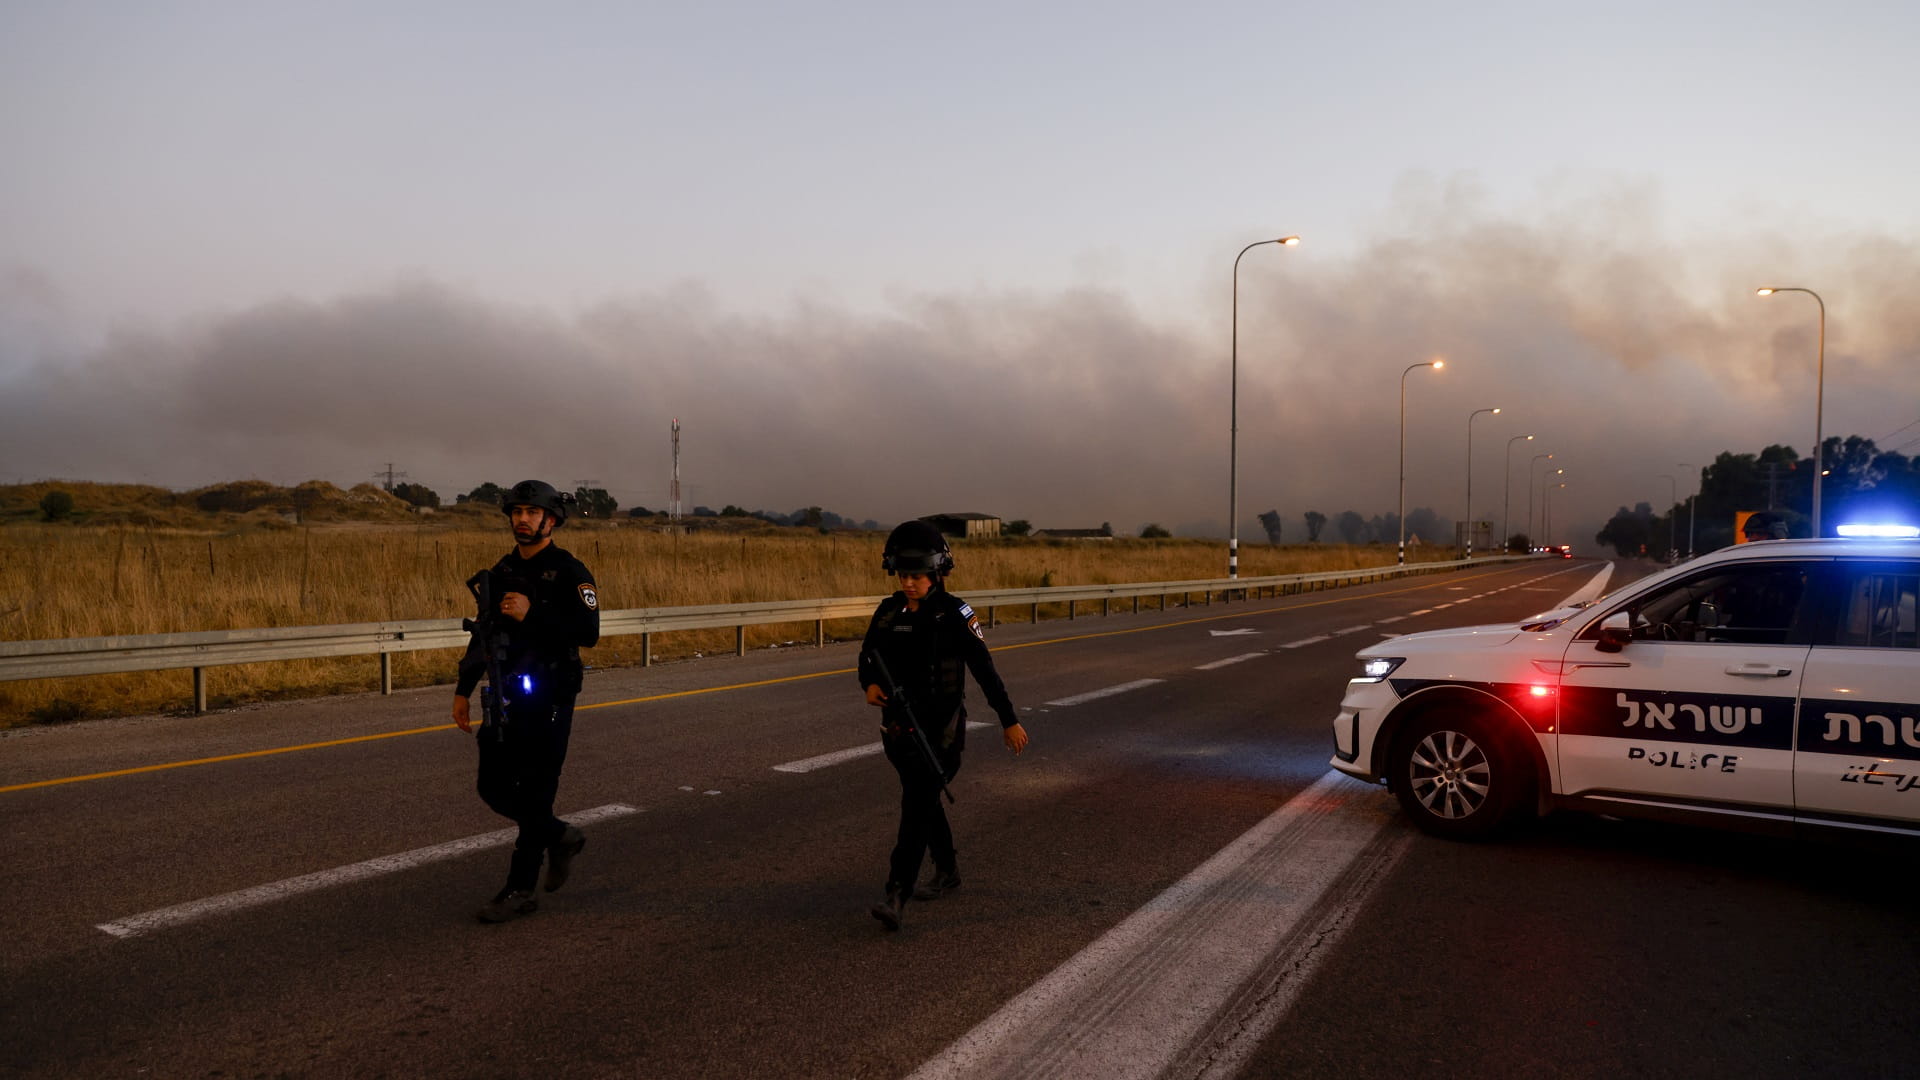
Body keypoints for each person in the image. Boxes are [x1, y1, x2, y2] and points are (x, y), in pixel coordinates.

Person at [858, 520, 1029, 931]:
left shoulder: (955, 614)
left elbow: (985, 671)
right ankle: (948, 870)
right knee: (923, 799)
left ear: (937, 574)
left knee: (916, 806)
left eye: (917, 575)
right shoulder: (887, 613)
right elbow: (867, 658)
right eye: (903, 575)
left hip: (943, 733)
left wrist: (1009, 720)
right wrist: (870, 685)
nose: (909, 582)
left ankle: (896, 893)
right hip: (898, 731)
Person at [452, 480, 600, 923]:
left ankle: (520, 889)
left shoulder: (571, 571)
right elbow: (484, 636)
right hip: (505, 695)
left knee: (536, 792)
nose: (522, 519)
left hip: (551, 695)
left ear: (550, 520)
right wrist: (462, 690)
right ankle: (560, 835)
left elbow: (588, 634)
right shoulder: (499, 572)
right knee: (492, 787)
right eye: (516, 512)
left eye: (531, 513)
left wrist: (533, 614)